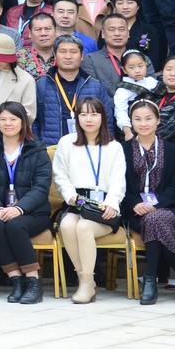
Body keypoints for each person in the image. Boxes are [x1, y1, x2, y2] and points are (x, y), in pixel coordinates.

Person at [51, 97, 126, 304]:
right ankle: (86, 281)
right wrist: (70, 195)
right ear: (77, 118)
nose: (88, 119)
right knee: (67, 226)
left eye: (94, 114)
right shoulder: (67, 142)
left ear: (103, 117)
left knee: (84, 228)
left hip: (105, 206)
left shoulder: (114, 146)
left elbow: (118, 180)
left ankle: (86, 283)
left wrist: (112, 202)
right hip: (78, 203)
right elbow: (60, 176)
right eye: (83, 114)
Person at [124, 98, 175, 306]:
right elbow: (119, 185)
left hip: (168, 208)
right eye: (137, 119)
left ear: (158, 121)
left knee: (155, 219)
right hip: (136, 210)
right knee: (153, 221)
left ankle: (150, 280)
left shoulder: (173, 151)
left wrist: (155, 205)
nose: (143, 123)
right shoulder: (123, 150)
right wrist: (134, 203)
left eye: (148, 118)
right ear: (131, 122)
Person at [0, 101, 51, 304]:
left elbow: (41, 187)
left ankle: (33, 282)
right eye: (3, 119)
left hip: (33, 212)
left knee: (15, 225)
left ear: (23, 122)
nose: (7, 123)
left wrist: (19, 208)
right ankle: (16, 280)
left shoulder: (37, 150)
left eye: (13, 119)